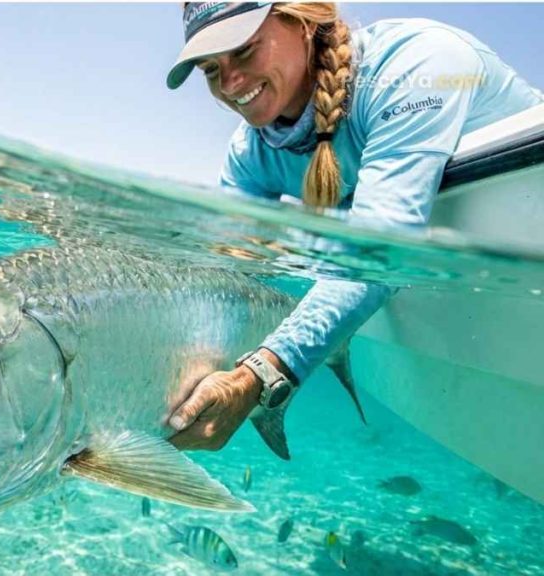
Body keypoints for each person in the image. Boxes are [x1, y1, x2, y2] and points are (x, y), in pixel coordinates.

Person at [163, 2, 542, 451]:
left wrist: (259, 376)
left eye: (243, 51)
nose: (229, 83)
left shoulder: (418, 65)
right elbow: (223, 274)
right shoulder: (249, 153)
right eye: (210, 69)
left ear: (302, 23)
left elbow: (379, 253)